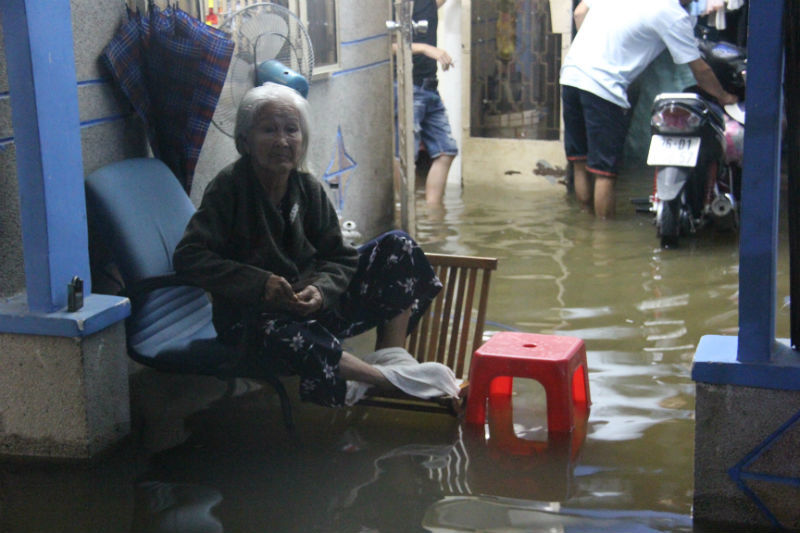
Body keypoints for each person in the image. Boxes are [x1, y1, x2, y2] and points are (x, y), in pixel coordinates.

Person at [173, 82, 457, 408]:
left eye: (291, 130)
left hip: (310, 305)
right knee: (286, 334)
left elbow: (339, 255)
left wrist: (321, 290)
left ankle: (391, 359)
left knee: (398, 247)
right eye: (268, 130)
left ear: (302, 140)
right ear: (244, 142)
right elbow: (189, 257)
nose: (282, 141)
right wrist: (260, 284)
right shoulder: (228, 188)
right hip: (253, 317)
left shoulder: (305, 187)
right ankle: (384, 380)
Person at [560, 0, 738, 218]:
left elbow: (579, 13)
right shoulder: (670, 12)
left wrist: (601, 50)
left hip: (571, 75)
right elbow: (699, 70)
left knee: (581, 163)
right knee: (604, 174)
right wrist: (724, 97)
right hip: (603, 87)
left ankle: (584, 226)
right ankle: (601, 240)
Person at [408, 0, 459, 205]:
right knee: (404, 156)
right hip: (408, 86)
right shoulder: (398, 6)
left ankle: (434, 216)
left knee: (446, 151)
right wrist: (425, 48)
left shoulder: (429, 3)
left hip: (429, 87)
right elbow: (384, 45)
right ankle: (400, 211)